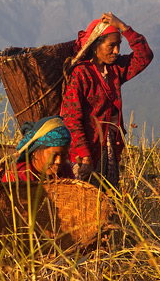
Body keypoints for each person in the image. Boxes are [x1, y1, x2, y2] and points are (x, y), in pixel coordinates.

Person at [60, 12, 153, 189]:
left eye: (118, 45)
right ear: (96, 46)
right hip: (84, 152)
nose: (117, 51)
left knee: (107, 203)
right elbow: (71, 117)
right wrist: (84, 154)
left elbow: (144, 56)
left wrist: (124, 27)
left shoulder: (115, 69)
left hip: (108, 148)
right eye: (111, 46)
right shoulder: (80, 74)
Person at [2, 115, 74, 182]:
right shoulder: (18, 175)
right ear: (35, 150)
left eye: (64, 154)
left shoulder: (65, 171)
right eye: (54, 155)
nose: (58, 161)